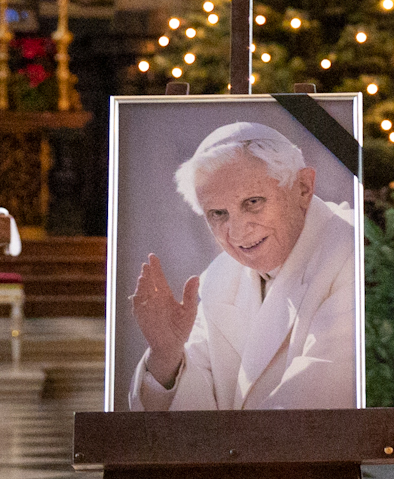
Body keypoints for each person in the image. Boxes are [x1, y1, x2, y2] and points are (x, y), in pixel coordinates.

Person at [128, 122, 357, 411]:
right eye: (218, 213)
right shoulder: (220, 278)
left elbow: (311, 412)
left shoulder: (351, 253)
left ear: (303, 188)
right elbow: (186, 418)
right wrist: (166, 356)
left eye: (252, 202)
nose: (236, 232)